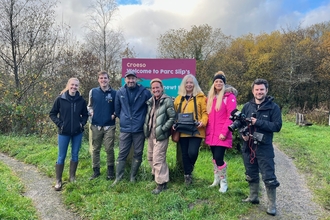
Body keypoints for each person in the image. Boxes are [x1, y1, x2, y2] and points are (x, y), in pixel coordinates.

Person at [240, 79, 282, 216]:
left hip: (264, 147)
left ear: (266, 91)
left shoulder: (273, 107)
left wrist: (258, 122)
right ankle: (253, 197)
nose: (259, 92)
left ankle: (272, 205)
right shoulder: (247, 106)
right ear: (253, 91)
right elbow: (240, 122)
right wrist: (243, 134)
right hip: (248, 146)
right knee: (251, 173)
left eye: (262, 90)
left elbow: (277, 126)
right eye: (257, 90)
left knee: (268, 176)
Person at [112, 70, 152, 186]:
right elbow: (118, 110)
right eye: (128, 78)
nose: (131, 80)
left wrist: (142, 120)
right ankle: (118, 178)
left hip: (139, 129)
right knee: (122, 153)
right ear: (125, 79)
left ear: (136, 79)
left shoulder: (144, 92)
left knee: (138, 153)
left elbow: (149, 108)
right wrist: (124, 119)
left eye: (133, 78)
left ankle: (132, 177)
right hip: (125, 129)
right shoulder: (120, 92)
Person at [49, 78, 89, 191]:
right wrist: (60, 124)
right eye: (72, 85)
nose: (74, 87)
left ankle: (72, 177)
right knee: (61, 156)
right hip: (63, 133)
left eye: (76, 85)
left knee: (75, 155)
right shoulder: (60, 99)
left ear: (78, 87)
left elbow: (85, 115)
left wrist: (82, 124)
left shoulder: (81, 100)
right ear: (68, 85)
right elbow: (52, 114)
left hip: (77, 133)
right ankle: (58, 180)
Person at [205, 71, 237, 193]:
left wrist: (225, 132)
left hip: (221, 134)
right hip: (211, 134)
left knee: (219, 158)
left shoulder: (229, 98)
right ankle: (216, 179)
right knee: (214, 158)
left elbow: (231, 116)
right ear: (213, 83)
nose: (218, 83)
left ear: (224, 84)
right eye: (216, 81)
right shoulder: (211, 98)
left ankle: (224, 182)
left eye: (221, 81)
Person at [173, 74, 208, 185]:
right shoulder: (178, 98)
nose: (189, 85)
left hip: (196, 130)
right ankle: (187, 176)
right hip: (183, 130)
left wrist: (203, 122)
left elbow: (205, 113)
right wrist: (174, 124)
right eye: (187, 83)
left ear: (195, 84)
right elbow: (175, 114)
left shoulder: (201, 97)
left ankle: (190, 168)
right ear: (184, 85)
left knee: (192, 153)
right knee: (184, 154)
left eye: (191, 82)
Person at [143, 78, 176, 194]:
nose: (155, 90)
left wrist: (163, 129)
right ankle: (160, 177)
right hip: (151, 134)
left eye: (157, 87)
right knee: (150, 157)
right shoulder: (150, 101)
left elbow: (172, 117)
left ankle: (161, 184)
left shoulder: (167, 101)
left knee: (158, 159)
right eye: (153, 88)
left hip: (161, 135)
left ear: (162, 88)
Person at [87, 71, 117, 180]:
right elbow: (89, 106)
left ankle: (110, 171)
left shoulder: (114, 93)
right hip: (96, 125)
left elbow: (117, 107)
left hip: (109, 125)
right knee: (95, 149)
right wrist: (91, 112)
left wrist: (114, 115)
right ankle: (96, 171)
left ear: (109, 79)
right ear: (98, 80)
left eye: (105, 78)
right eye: (101, 78)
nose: (103, 80)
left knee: (109, 149)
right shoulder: (93, 92)